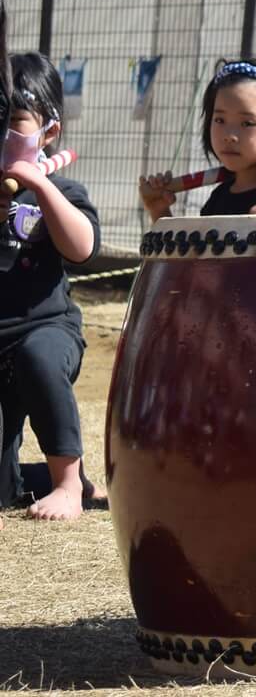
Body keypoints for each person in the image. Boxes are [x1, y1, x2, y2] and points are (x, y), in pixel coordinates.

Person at [0, 52, 100, 520]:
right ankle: (36, 478)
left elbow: (81, 247)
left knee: (37, 356)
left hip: (46, 330)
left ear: (48, 132)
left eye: (14, 121)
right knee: (1, 491)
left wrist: (42, 188)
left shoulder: (64, 190)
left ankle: (66, 483)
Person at [140, 57, 256, 218]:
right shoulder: (218, 200)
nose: (229, 136)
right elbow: (193, 259)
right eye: (220, 120)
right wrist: (159, 211)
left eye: (247, 123)